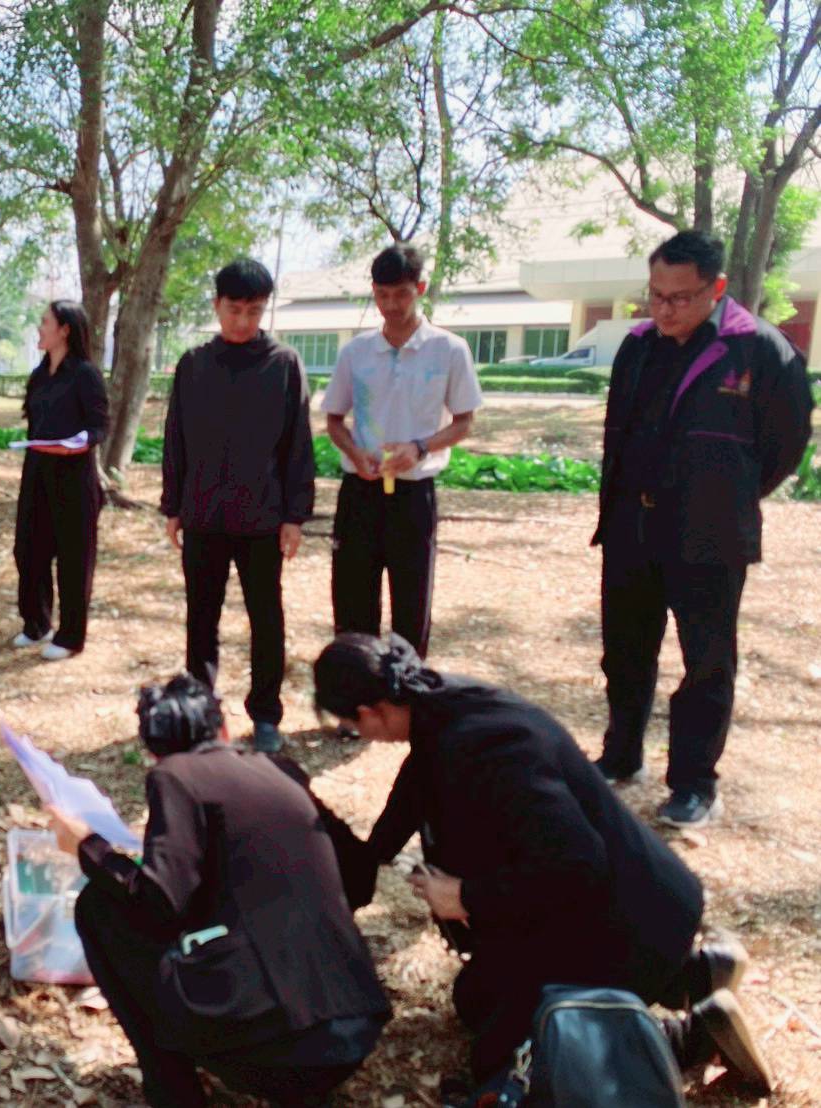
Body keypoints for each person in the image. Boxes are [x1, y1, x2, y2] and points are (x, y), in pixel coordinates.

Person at [312, 632, 774, 1099]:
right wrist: (365, 858)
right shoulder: (443, 705)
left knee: (507, 1058)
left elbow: (577, 865)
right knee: (476, 1001)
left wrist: (466, 897)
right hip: (616, 905)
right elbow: (417, 787)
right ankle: (693, 974)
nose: (356, 733)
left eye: (351, 723)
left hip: (623, 921)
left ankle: (693, 1034)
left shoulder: (489, 749)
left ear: (371, 712)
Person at [47, 674, 389, 1108]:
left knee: (99, 906)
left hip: (272, 1045)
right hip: (354, 1027)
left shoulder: (174, 775)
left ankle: (174, 1093)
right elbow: (359, 873)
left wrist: (89, 847)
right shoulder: (281, 769)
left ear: (152, 751)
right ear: (223, 728)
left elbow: (159, 905)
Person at [593, 231, 815, 829]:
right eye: (655, 295)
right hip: (632, 527)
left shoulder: (759, 349)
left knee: (706, 664)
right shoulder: (638, 346)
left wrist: (729, 493)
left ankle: (694, 783)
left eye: (680, 298)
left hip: (708, 536)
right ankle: (621, 755)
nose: (664, 310)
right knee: (625, 652)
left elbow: (786, 443)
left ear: (716, 288)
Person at [160, 258, 315, 753]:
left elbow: (298, 444)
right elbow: (176, 439)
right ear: (216, 306)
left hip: (262, 517)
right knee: (200, 617)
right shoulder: (194, 365)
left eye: (254, 311)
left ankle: (266, 714)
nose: (244, 321)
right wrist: (173, 504)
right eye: (234, 310)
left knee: (265, 617)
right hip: (203, 512)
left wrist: (295, 515)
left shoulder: (283, 364)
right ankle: (200, 711)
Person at [321, 244, 481, 661]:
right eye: (382, 295)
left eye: (401, 294)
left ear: (420, 289)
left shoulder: (449, 350)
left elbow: (464, 421)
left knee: (411, 605)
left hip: (413, 494)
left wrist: (420, 448)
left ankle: (408, 690)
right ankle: (356, 693)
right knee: (353, 603)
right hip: (360, 490)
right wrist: (355, 453)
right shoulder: (355, 352)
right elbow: (334, 420)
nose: (391, 305)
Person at [12, 300, 109, 661]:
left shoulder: (85, 374)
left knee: (73, 558)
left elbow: (100, 425)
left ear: (64, 330)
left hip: (73, 478)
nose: (39, 328)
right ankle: (36, 624)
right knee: (28, 550)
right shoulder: (39, 375)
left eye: (45, 322)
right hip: (37, 472)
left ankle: (70, 636)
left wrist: (81, 442)